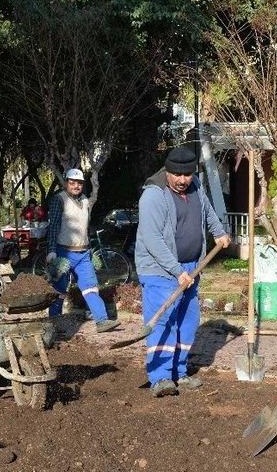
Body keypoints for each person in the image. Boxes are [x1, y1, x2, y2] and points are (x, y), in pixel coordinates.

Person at [134, 146, 230, 397]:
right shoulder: (153, 195)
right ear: (167, 171)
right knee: (164, 321)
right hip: (160, 270)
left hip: (191, 267)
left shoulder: (195, 185)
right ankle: (160, 377)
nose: (182, 180)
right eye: (177, 174)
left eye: (187, 174)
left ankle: (179, 371)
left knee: (188, 320)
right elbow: (153, 240)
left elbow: (207, 210)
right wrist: (177, 271)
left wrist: (219, 232)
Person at [46, 168, 120, 333]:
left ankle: (102, 321)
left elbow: (84, 229)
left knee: (91, 287)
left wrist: (90, 251)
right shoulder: (59, 199)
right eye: (72, 183)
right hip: (63, 253)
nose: (76, 186)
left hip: (83, 254)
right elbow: (53, 227)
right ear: (66, 183)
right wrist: (51, 251)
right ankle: (53, 325)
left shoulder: (85, 201)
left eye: (79, 183)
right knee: (59, 290)